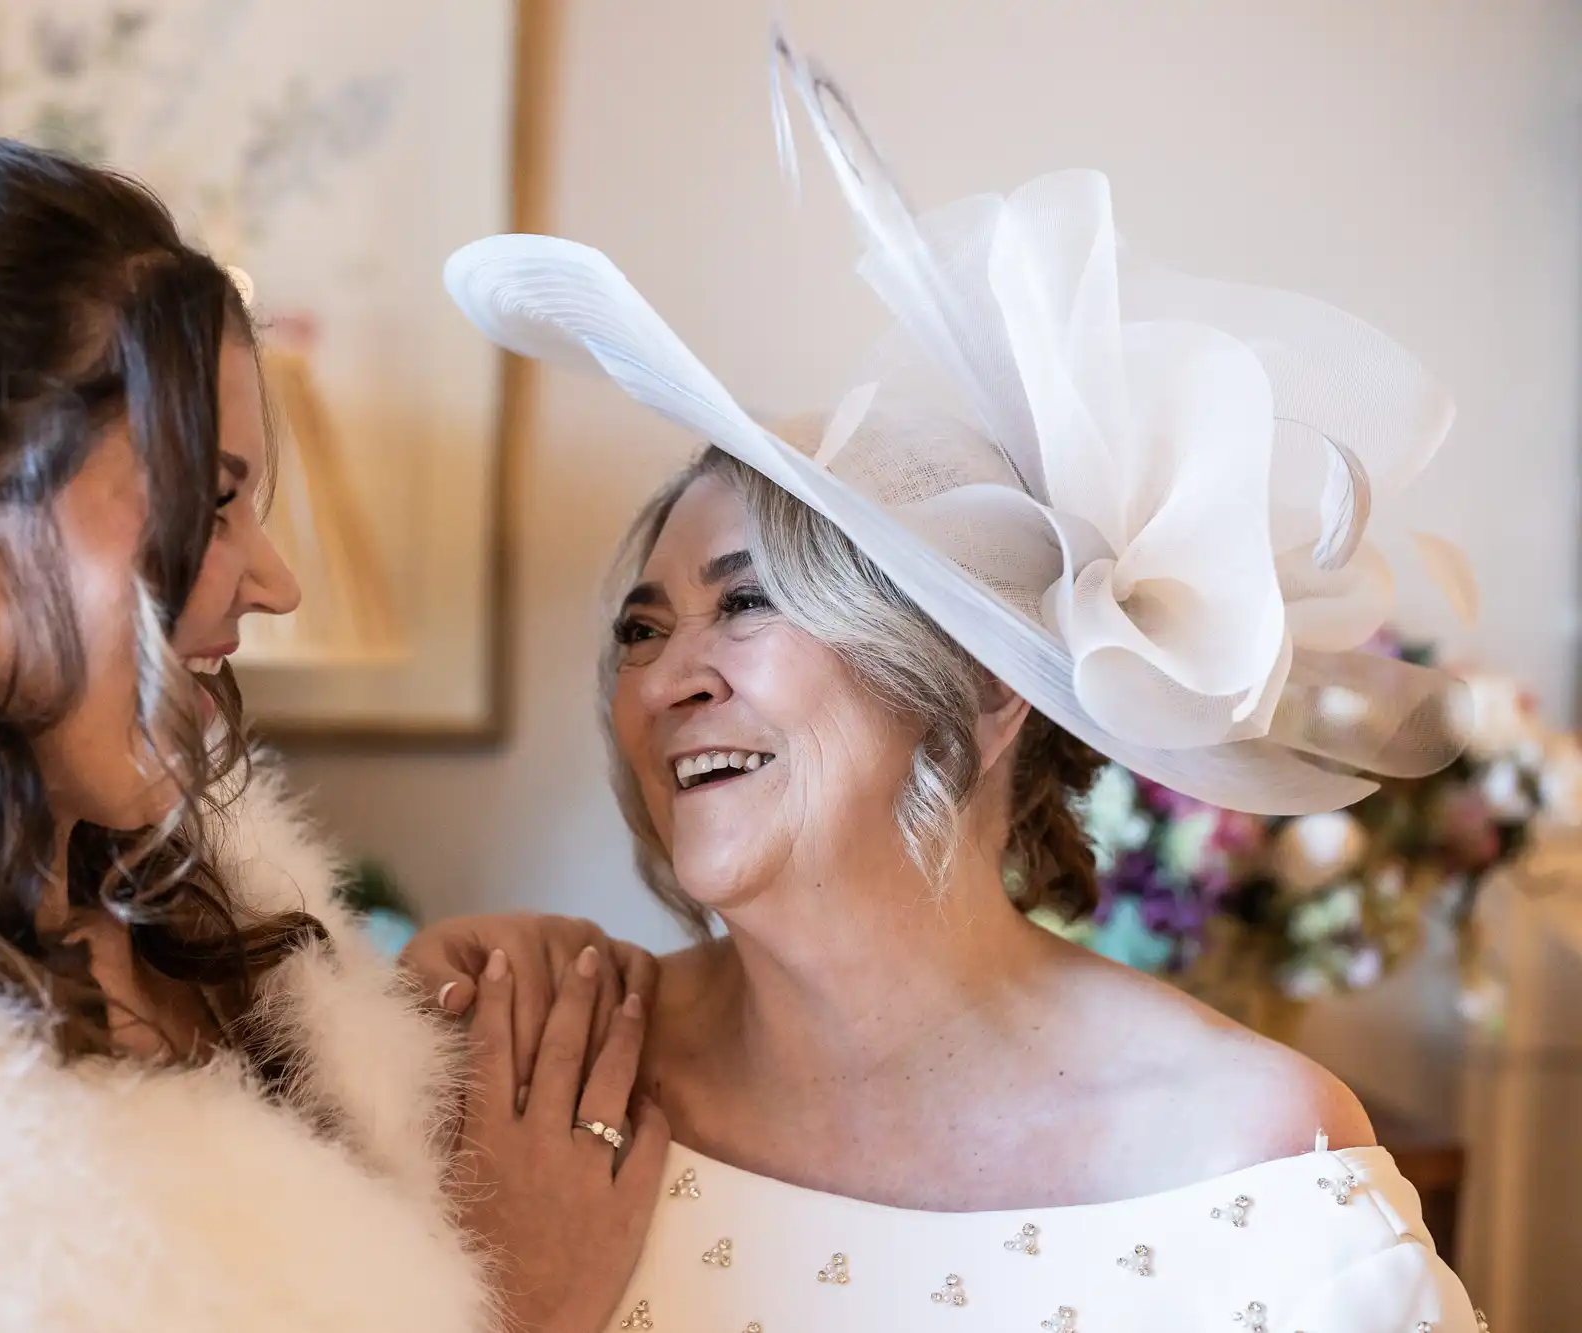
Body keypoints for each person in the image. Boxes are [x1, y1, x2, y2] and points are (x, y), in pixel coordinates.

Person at [420, 35, 1484, 1333]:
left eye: (749, 605)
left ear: (982, 691)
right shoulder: (547, 1070)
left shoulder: (1255, 1172)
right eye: (643, 631)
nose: (670, 680)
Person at [0, 137, 666, 1333]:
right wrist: (526, 1300)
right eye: (208, 501)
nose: (276, 581)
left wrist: (414, 1035)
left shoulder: (206, 911)